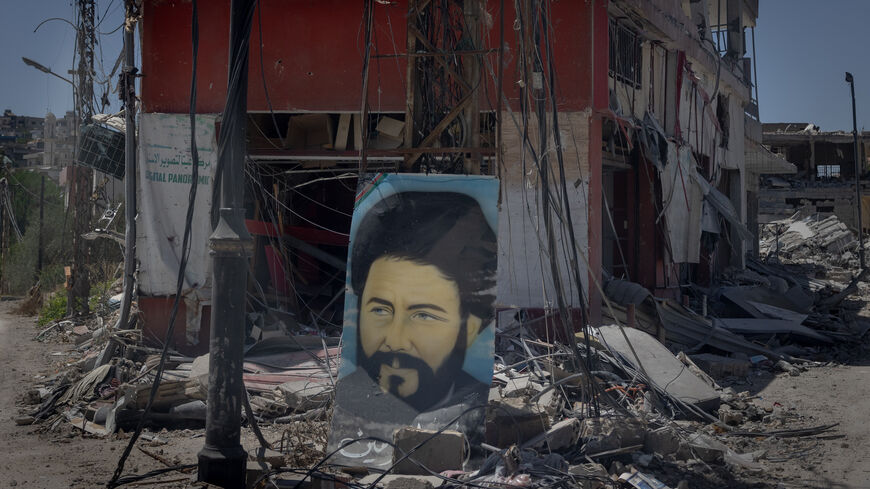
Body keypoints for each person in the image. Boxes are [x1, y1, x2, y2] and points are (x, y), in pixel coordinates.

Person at [329, 190, 497, 467]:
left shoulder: (471, 415)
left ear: (470, 327)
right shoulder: (348, 405)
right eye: (380, 310)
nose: (395, 341)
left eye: (423, 315)